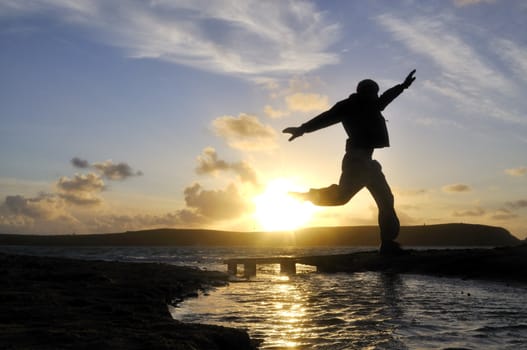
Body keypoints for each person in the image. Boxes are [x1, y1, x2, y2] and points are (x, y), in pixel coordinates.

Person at [283, 70, 416, 255]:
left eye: (376, 93)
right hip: (356, 161)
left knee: (386, 201)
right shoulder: (348, 106)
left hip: (369, 163)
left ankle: (388, 245)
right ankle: (306, 197)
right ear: (363, 92)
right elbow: (325, 118)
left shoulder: (373, 104)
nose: (375, 96)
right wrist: (303, 129)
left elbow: (385, 99)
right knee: (341, 198)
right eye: (372, 93)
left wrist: (402, 86)